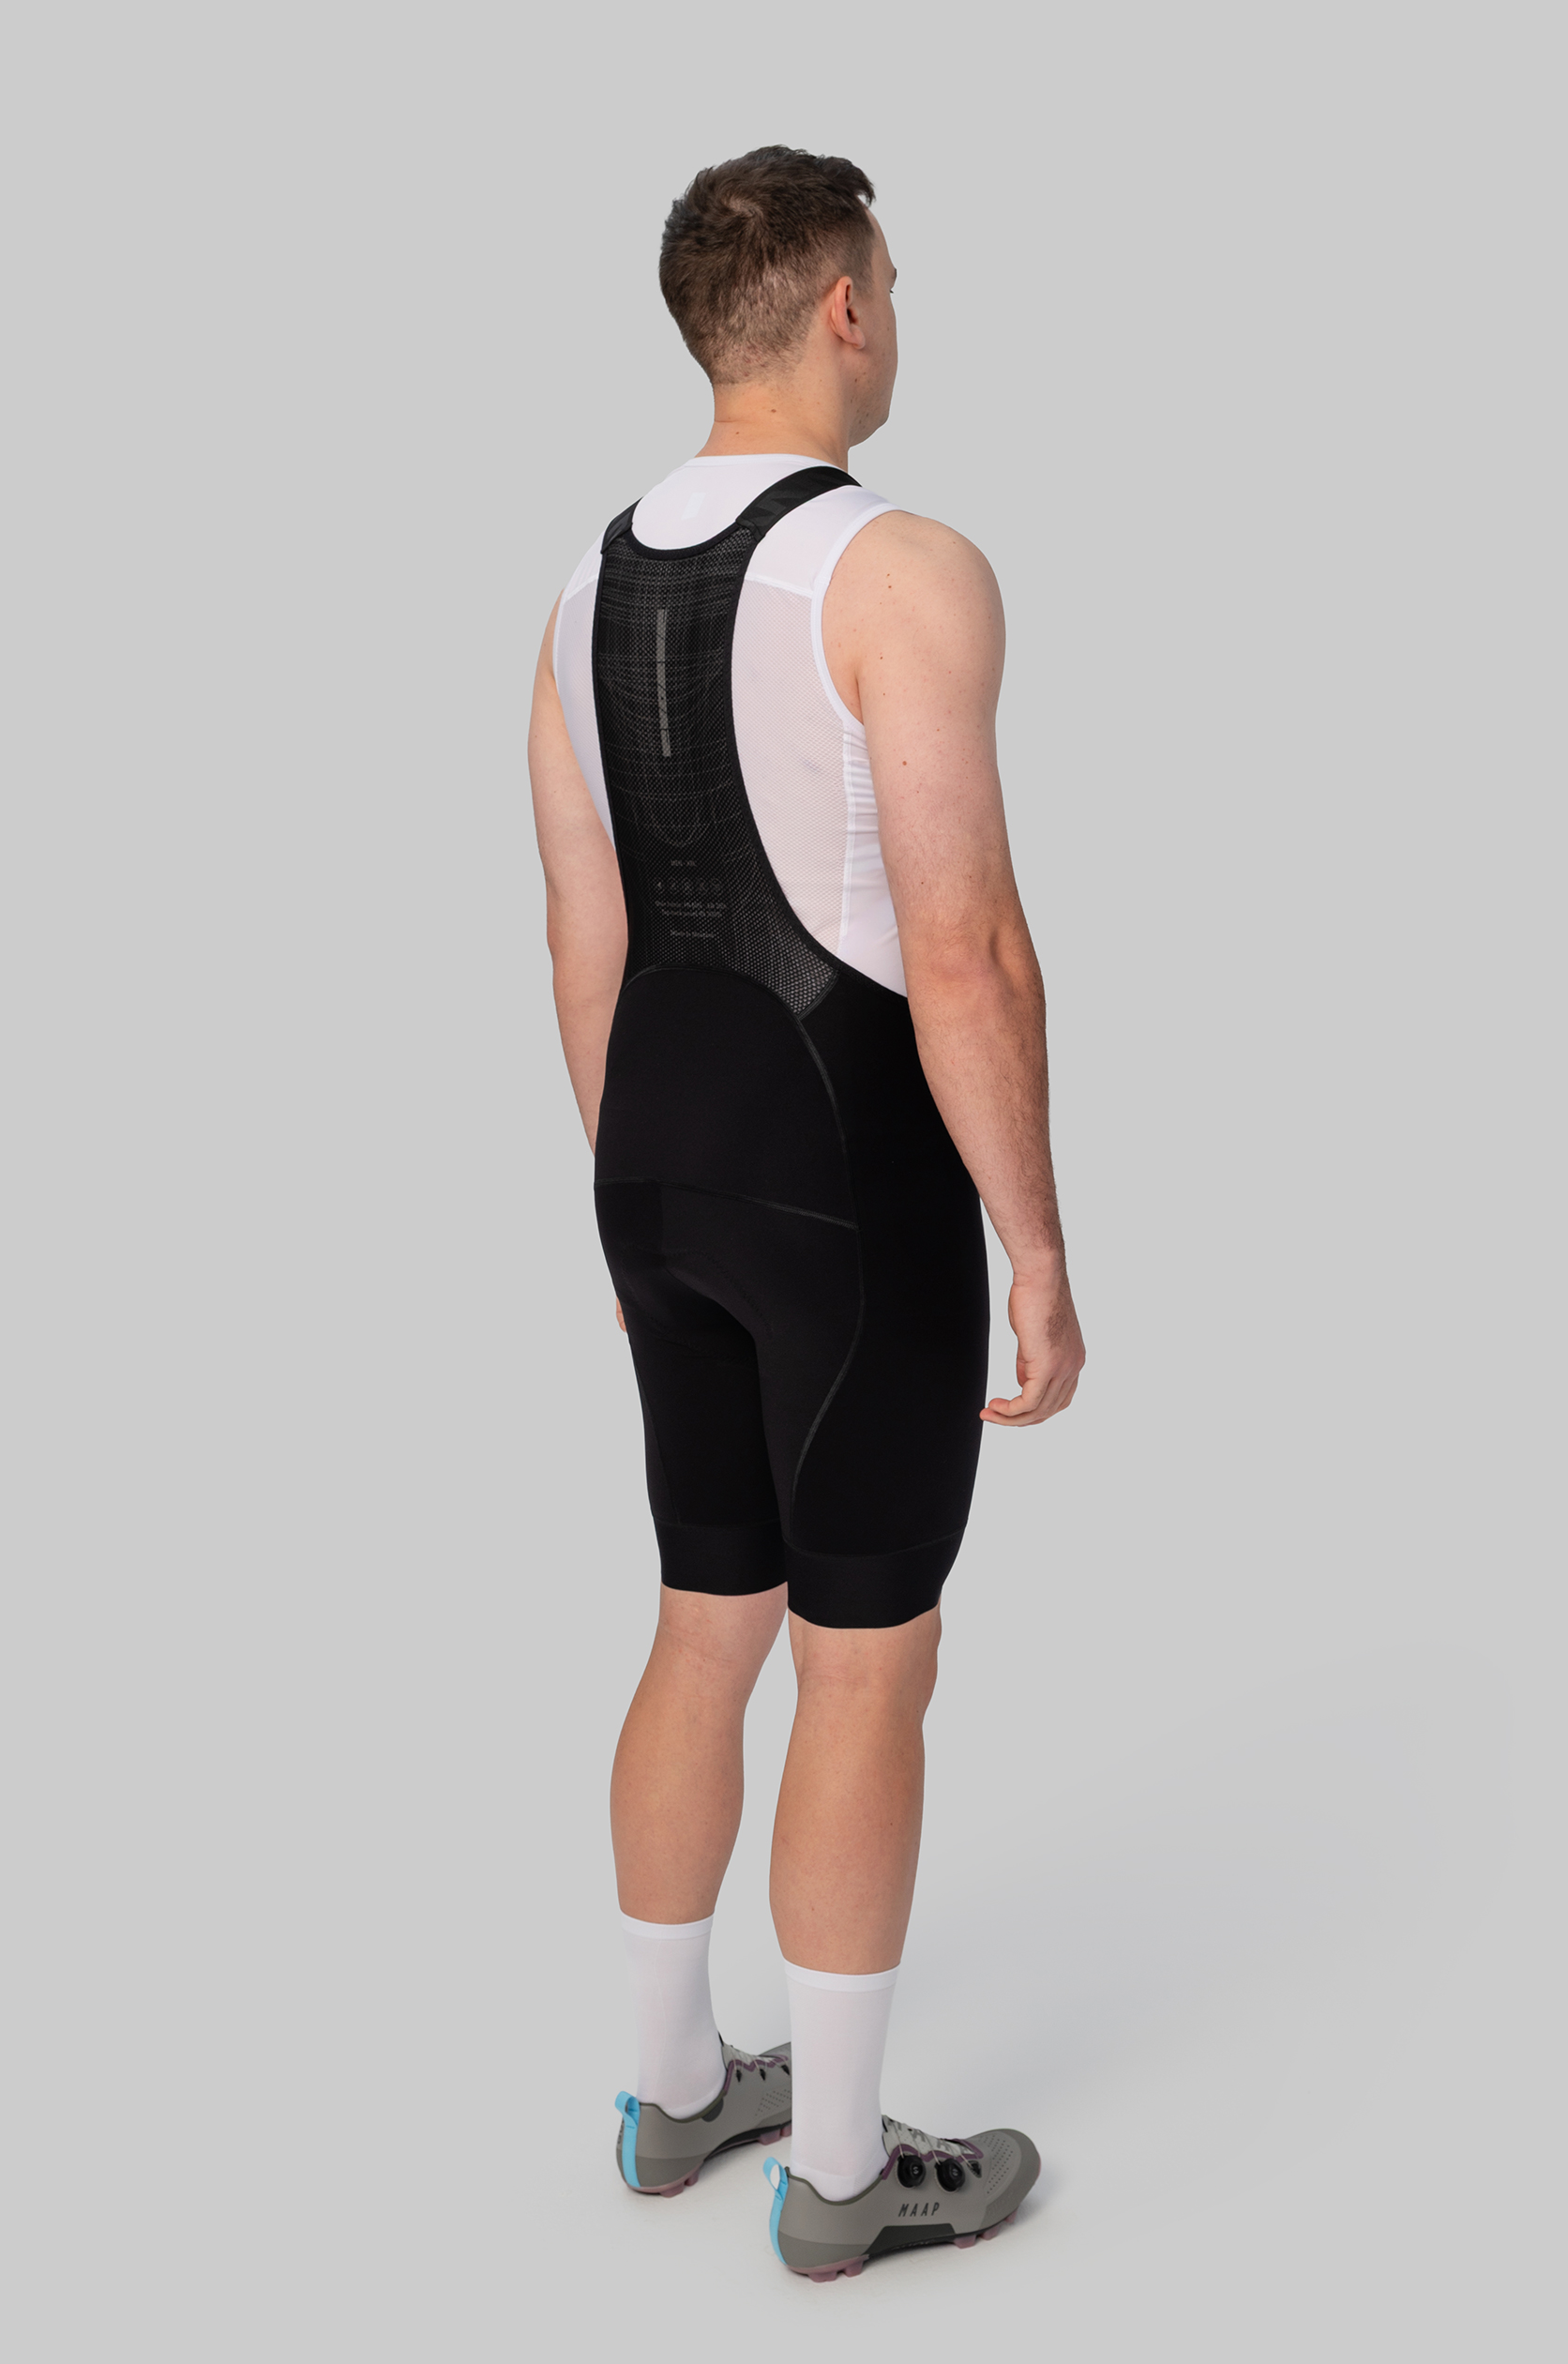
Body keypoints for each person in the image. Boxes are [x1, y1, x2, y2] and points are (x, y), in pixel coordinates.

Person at [528, 145, 1085, 2281]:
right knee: (865, 1668)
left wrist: (632, 1210)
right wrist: (1032, 1242)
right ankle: (841, 2177)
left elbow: (583, 940)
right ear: (844, 304)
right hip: (847, 1185)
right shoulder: (902, 567)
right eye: (893, 282)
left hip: (656, 1168)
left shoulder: (576, 591)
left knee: (702, 1620)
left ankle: (671, 2088)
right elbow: (966, 950)